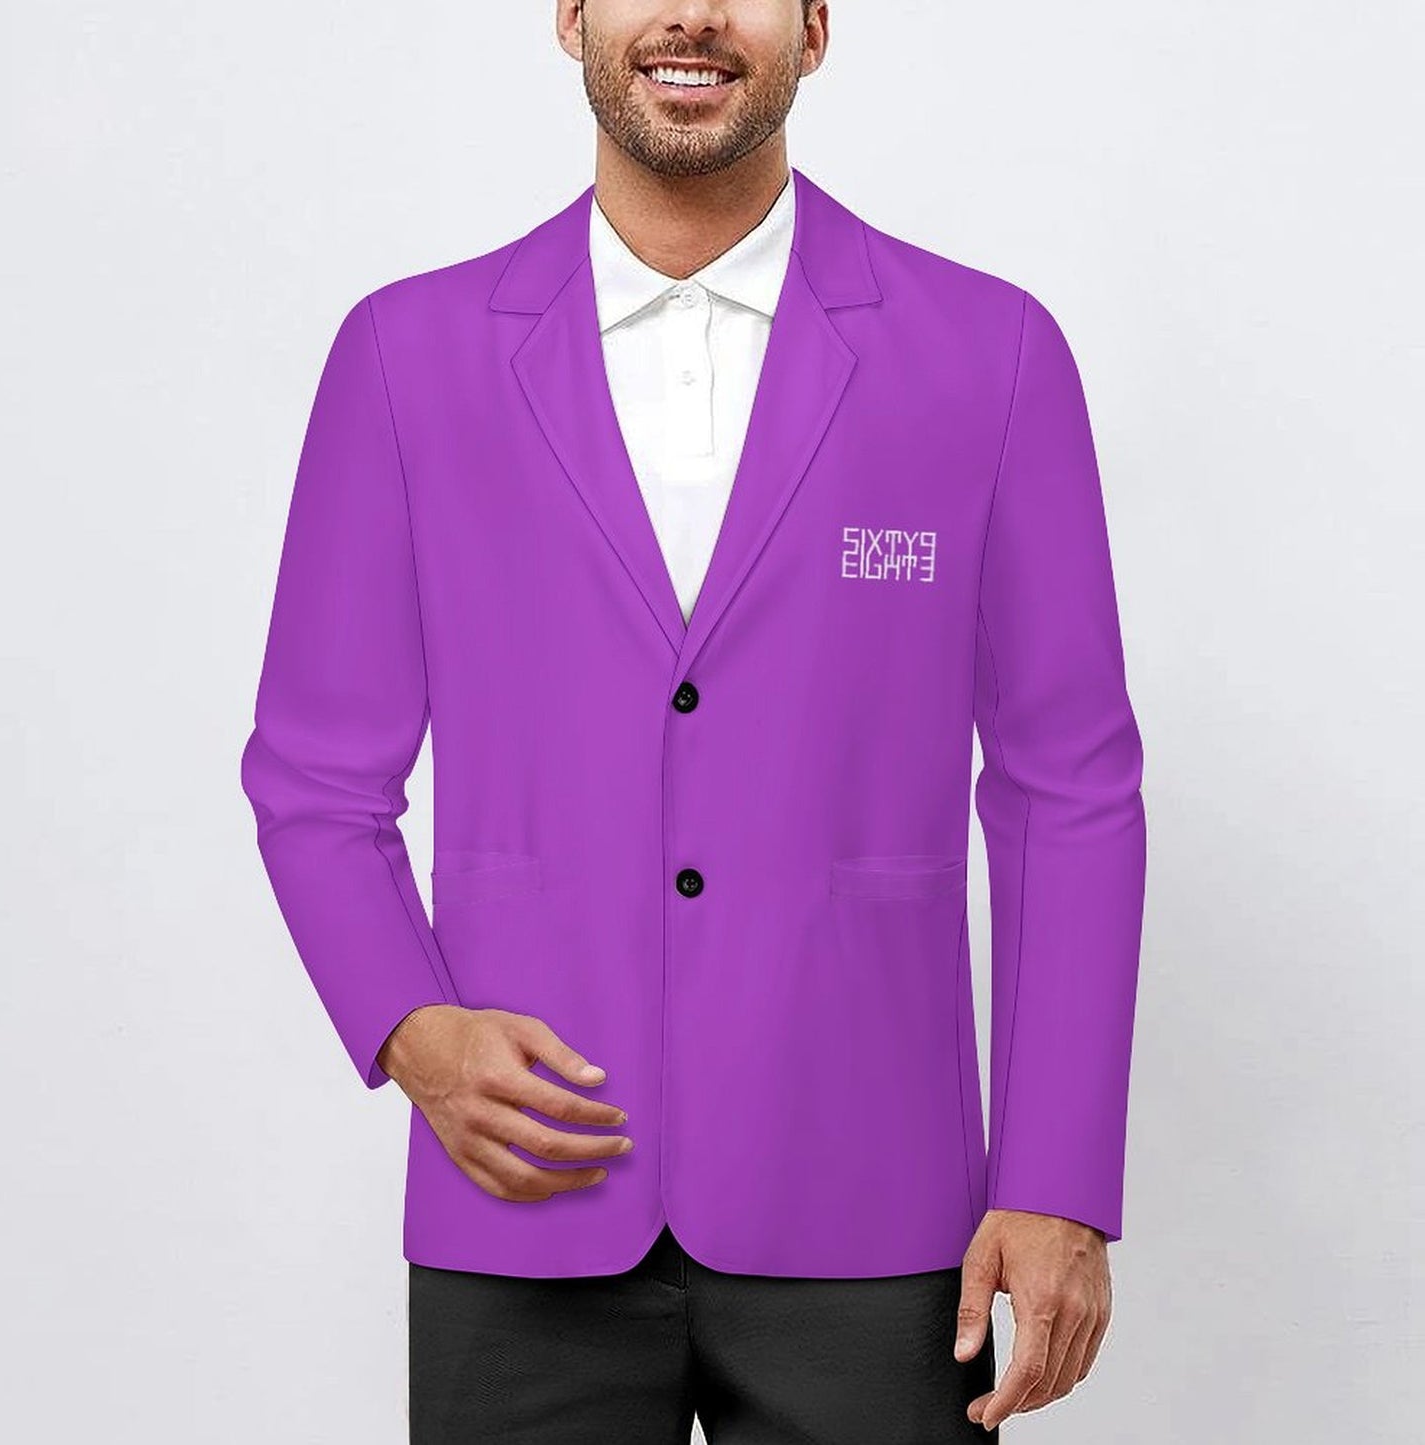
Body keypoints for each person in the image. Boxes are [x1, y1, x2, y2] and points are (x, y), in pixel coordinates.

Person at [239, 2, 1148, 1439]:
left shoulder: (991, 354)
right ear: (570, 16)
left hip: (876, 1198)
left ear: (814, 26)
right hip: (525, 1185)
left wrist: (1056, 1178)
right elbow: (312, 776)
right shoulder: (406, 357)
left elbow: (1068, 789)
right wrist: (408, 1028)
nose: (693, 16)